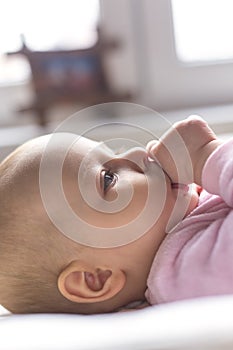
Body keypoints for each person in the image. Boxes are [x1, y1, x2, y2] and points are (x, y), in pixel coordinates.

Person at [0, 116, 228, 314]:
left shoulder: (187, 213)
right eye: (108, 178)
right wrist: (207, 155)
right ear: (97, 278)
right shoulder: (188, 271)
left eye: (116, 151)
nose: (138, 152)